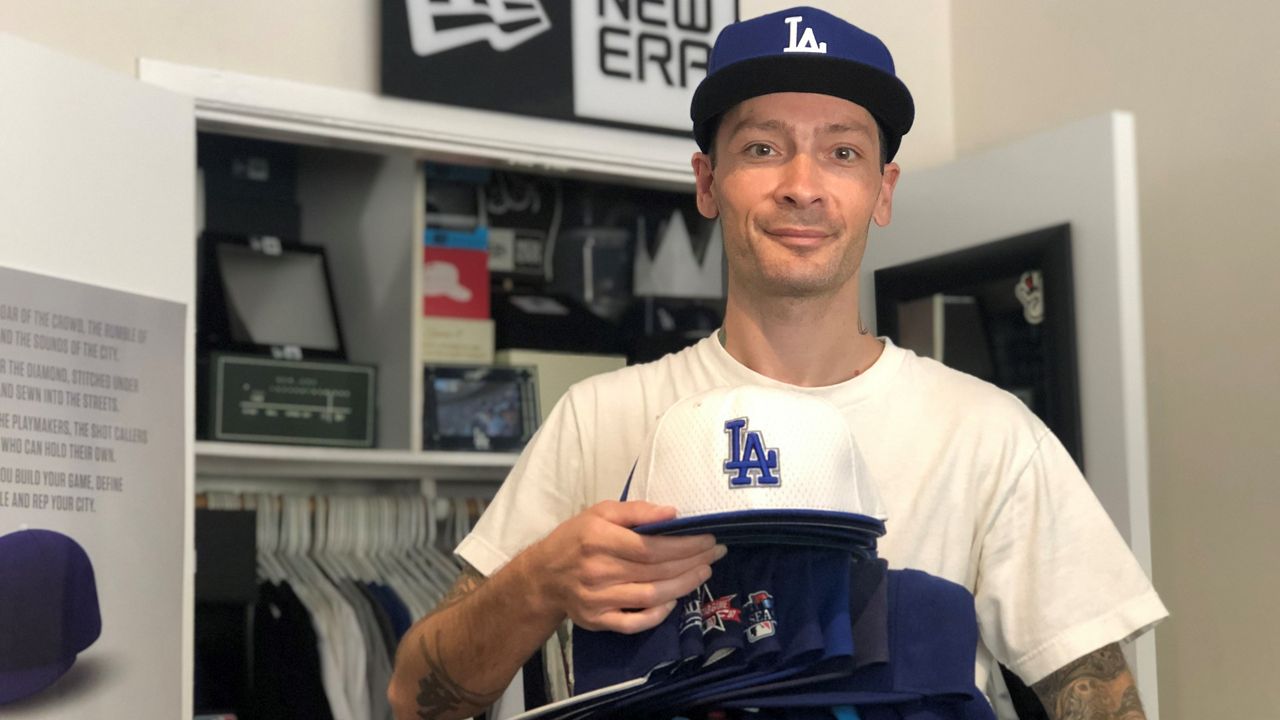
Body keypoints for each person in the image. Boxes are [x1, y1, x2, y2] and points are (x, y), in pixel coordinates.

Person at [388, 7, 1167, 720]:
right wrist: (539, 583)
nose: (803, 186)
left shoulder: (992, 438)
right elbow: (415, 703)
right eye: (763, 147)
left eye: (842, 152)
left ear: (881, 190)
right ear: (708, 182)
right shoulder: (598, 419)